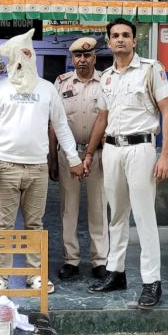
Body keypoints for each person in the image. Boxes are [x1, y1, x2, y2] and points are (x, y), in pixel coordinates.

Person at [0, 29, 85, 294]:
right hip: (5, 166)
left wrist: (73, 158)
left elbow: (61, 126)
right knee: (4, 224)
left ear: (33, 56)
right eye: (17, 55)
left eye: (26, 54)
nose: (21, 60)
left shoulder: (47, 89)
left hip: (38, 168)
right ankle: (0, 277)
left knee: (35, 225)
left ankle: (34, 274)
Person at [83, 18, 168, 310]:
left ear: (135, 41)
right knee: (117, 215)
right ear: (109, 43)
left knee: (144, 216)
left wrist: (166, 154)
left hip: (141, 149)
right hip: (112, 149)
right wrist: (89, 153)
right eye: (115, 36)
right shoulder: (106, 77)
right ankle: (116, 272)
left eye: (125, 35)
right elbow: (102, 117)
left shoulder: (151, 69)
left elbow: (167, 111)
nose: (120, 39)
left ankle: (152, 282)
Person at [49, 37, 108, 281]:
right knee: (68, 208)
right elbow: (53, 123)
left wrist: (92, 152)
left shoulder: (106, 81)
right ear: (72, 58)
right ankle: (70, 260)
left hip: (98, 155)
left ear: (94, 58)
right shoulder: (61, 83)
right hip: (68, 155)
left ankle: (100, 261)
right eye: (77, 56)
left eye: (87, 55)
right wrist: (52, 158)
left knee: (99, 208)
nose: (82, 60)